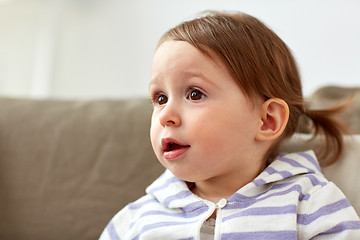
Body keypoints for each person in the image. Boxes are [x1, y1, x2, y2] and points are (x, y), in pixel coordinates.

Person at [99, 11, 360, 239]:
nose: (166, 114)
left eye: (194, 94)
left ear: (267, 121)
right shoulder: (137, 219)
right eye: (160, 98)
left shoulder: (310, 202)